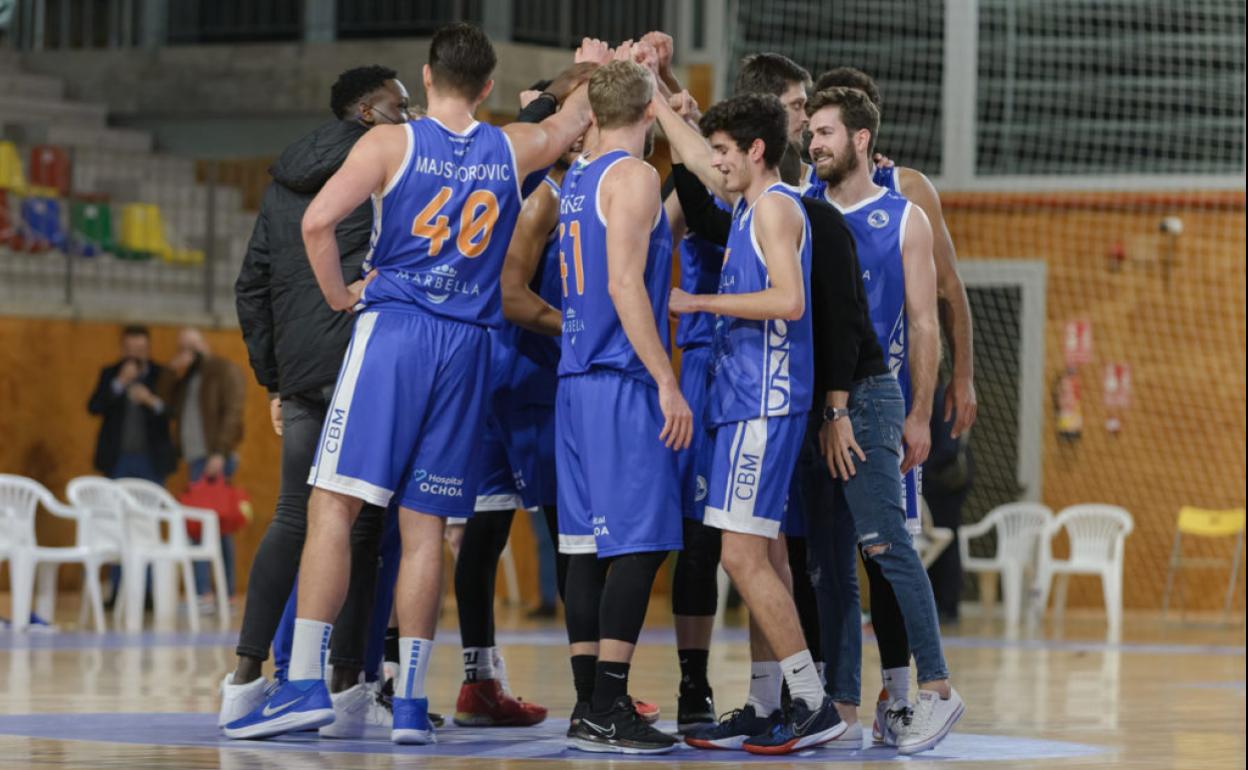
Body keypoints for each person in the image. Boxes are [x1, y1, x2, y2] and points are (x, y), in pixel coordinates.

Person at [227, 23, 597, 744]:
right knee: (424, 525)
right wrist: (589, 69)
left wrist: (339, 295)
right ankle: (410, 703)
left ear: (427, 78)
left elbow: (315, 223)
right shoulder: (508, 147)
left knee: (332, 505)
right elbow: (570, 122)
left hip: (397, 333)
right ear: (489, 86)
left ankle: (303, 682)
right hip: (468, 347)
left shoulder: (390, 143)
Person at [221, 64, 409, 737]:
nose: (407, 114)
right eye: (397, 104)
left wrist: (275, 378)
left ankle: (243, 680)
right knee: (362, 529)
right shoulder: (382, 169)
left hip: (301, 374)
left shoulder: (280, 182)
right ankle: (345, 682)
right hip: (360, 363)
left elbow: (251, 286)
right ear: (365, 111)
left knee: (291, 519)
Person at [656, 90, 846, 755]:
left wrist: (697, 300)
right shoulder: (747, 202)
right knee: (762, 554)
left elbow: (790, 300)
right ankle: (769, 702)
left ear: (755, 151)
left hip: (765, 402)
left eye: (724, 152)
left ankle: (812, 701)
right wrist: (655, 94)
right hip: (745, 402)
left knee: (737, 554)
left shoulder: (772, 209)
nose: (714, 163)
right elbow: (689, 154)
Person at [811, 66, 978, 748]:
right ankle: (842, 704)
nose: (813, 141)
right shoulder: (803, 206)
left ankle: (925, 689)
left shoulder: (905, 204)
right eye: (808, 129)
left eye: (824, 130)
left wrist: (932, 401)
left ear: (862, 135)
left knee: (887, 548)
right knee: (828, 559)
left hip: (878, 396)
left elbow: (934, 309)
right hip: (823, 402)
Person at [541, 54, 688, 755]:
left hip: (573, 383)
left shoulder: (577, 181)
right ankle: (606, 707)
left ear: (593, 116)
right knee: (642, 540)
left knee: (586, 547)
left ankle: (588, 705)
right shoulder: (633, 179)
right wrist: (665, 378)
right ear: (651, 113)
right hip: (618, 377)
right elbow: (627, 288)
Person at [87, 325, 176, 607]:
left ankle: (147, 592)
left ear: (148, 348)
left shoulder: (162, 375)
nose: (136, 353)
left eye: (141, 348)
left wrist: (151, 402)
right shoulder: (110, 373)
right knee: (116, 525)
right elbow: (94, 407)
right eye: (131, 348)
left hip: (151, 462)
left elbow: (173, 412)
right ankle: (116, 590)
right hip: (118, 460)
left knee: (146, 525)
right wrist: (118, 385)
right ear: (123, 348)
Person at [168, 327, 246, 604]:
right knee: (197, 528)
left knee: (218, 526)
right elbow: (165, 403)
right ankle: (202, 591)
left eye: (193, 346)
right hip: (194, 459)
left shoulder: (223, 370)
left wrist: (220, 452)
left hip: (214, 458)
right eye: (183, 348)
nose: (188, 353)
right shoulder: (186, 379)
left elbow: (234, 411)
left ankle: (223, 591)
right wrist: (173, 373)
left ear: (204, 345)